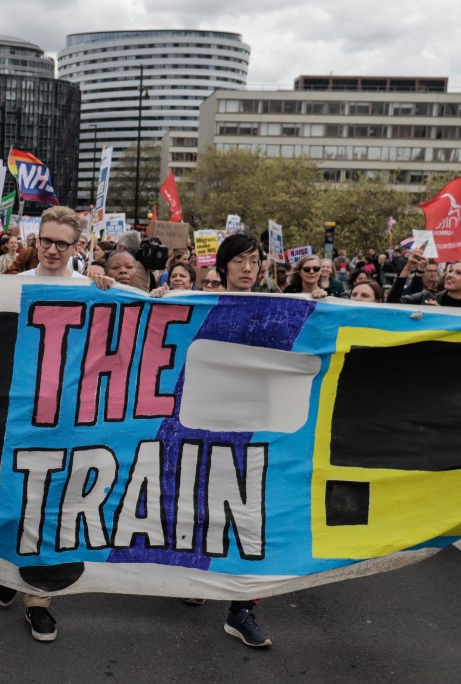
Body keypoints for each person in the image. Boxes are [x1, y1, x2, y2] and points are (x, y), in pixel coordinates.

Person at [0, 206, 113, 644]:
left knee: (50, 501)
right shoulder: (12, 286)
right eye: (46, 240)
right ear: (35, 239)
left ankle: (38, 599)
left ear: (77, 247)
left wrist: (111, 288)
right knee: (11, 498)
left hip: (65, 418)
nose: (52, 249)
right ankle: (6, 569)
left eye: (63, 243)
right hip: (12, 413)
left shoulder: (89, 289)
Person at [209, 233, 273, 648]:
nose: (247, 268)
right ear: (223, 267)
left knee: (251, 518)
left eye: (254, 261)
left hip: (259, 425)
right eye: (239, 261)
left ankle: (241, 609)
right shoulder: (201, 305)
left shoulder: (279, 309)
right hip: (207, 422)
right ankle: (190, 577)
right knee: (200, 507)